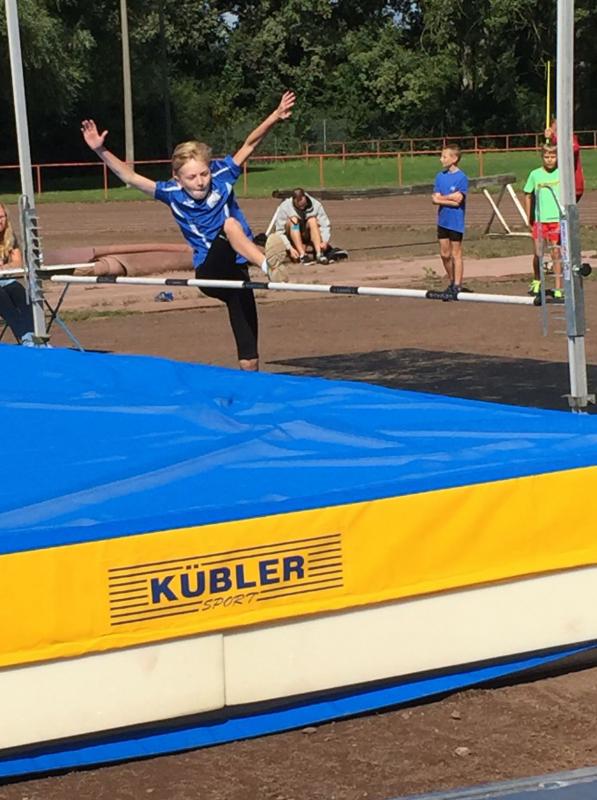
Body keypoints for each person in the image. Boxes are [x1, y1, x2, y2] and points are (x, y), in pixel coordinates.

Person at [81, 91, 295, 372]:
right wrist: (100, 150)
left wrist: (275, 116)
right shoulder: (171, 193)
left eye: (204, 174)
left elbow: (250, 143)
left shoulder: (223, 175)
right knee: (230, 225)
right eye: (192, 177)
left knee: (249, 355)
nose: (200, 182)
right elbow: (130, 176)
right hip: (209, 272)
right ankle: (268, 265)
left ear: (211, 169)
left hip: (237, 273)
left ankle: (251, 387)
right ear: (178, 178)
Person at [523, 144, 563, 299]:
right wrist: (529, 216)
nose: (550, 160)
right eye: (547, 157)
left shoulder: (561, 173)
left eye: (553, 157)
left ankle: (558, 287)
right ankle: (537, 280)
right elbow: (527, 194)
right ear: (542, 157)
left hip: (556, 220)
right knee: (538, 253)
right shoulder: (535, 174)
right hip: (540, 221)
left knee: (556, 253)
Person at [431, 144, 468, 299]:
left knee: (455, 253)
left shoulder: (461, 177)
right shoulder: (440, 176)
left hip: (455, 221)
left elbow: (458, 201)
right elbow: (435, 199)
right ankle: (451, 281)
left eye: (444, 156)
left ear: (454, 159)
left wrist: (442, 198)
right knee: (444, 254)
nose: (441, 159)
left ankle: (457, 285)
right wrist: (448, 198)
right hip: (443, 221)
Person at [0, 202, 35, 346]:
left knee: (21, 293)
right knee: (2, 297)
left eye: (1, 217)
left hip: (5, 279)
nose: (0, 221)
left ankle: (32, 338)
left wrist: (4, 267)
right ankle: (26, 338)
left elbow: (18, 263)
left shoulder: (9, 237)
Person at [272, 188, 332, 264]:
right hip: (293, 233)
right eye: (299, 206)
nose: (302, 208)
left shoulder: (316, 205)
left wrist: (325, 241)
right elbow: (279, 231)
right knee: (294, 220)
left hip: (308, 234)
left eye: (304, 205)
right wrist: (290, 248)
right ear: (293, 200)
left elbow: (325, 225)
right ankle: (303, 255)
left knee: (312, 220)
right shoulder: (285, 206)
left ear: (306, 198)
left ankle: (319, 254)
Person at [545, 117, 584, 202]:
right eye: (556, 128)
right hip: (558, 184)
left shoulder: (570, 138)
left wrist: (554, 138)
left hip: (572, 185)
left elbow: (572, 150)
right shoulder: (551, 142)